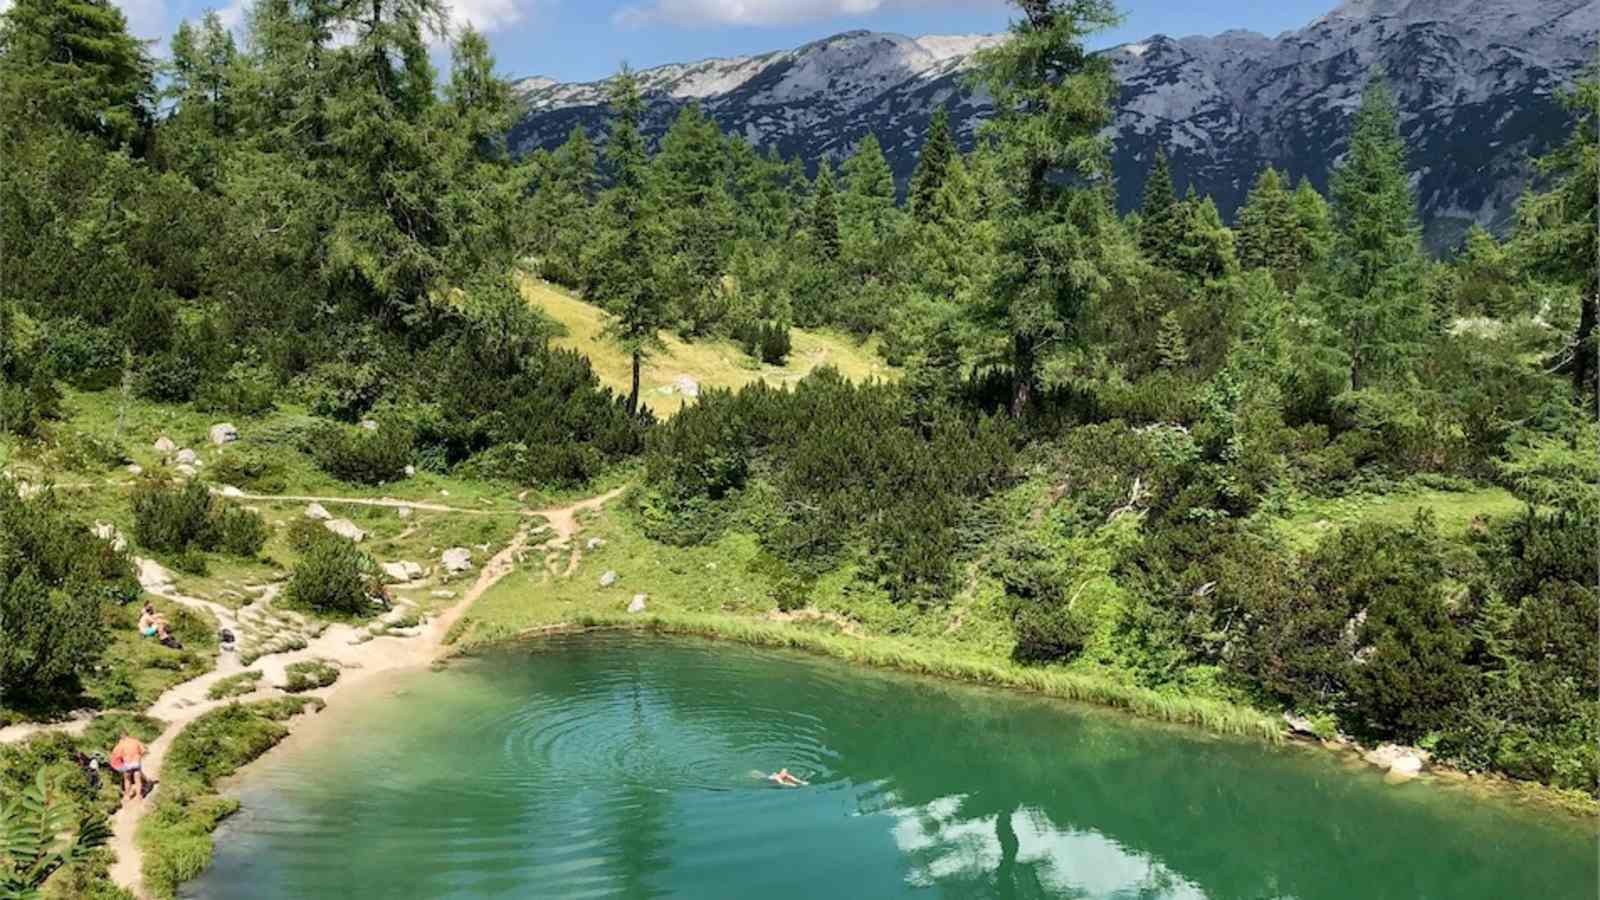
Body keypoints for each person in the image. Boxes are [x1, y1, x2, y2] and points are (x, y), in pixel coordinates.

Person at [109, 733, 150, 802]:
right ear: (128, 735)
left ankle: (127, 796)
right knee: (137, 780)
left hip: (127, 764)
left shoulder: (121, 744)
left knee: (127, 780)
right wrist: (139, 757)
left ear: (121, 737)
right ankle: (138, 796)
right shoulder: (135, 741)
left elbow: (117, 756)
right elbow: (143, 751)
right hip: (136, 763)